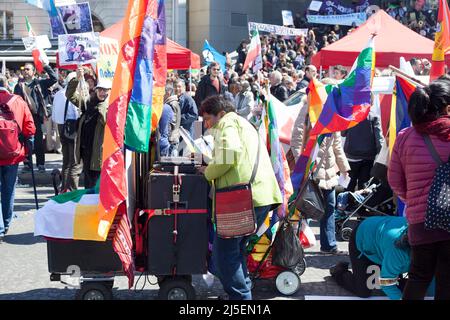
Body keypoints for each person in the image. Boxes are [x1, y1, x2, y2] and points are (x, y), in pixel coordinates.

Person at [199, 95, 282, 300]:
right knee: (234, 251)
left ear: (220, 113)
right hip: (258, 195)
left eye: (208, 119)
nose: (207, 125)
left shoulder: (227, 122)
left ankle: (241, 299)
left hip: (245, 199)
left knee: (224, 254)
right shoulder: (243, 123)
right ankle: (243, 294)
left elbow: (230, 152)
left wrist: (208, 171)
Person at [388, 79, 450, 300]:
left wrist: (414, 200)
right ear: (446, 107)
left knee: (418, 277)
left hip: (419, 221)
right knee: (447, 280)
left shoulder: (405, 136)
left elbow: (394, 180)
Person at [290, 94, 350, 255]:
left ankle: (329, 245)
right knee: (305, 207)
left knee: (329, 205)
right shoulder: (308, 110)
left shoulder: (332, 113)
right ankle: (298, 244)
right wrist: (302, 163)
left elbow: (337, 145)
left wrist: (344, 168)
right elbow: (296, 139)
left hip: (328, 171)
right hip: (311, 169)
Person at [330, 216, 434, 300]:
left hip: (384, 240)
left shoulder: (434, 244)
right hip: (363, 239)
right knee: (363, 291)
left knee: (417, 287)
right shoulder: (398, 251)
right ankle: (338, 271)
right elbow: (386, 282)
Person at [0, 75, 36, 242]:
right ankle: (6, 223)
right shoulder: (18, 101)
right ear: (6, 84)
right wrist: (29, 150)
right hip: (13, 153)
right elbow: (30, 127)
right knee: (9, 189)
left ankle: (0, 227)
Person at [66, 67, 111, 189]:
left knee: (97, 186)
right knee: (88, 184)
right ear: (96, 90)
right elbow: (70, 95)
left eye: (105, 91)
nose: (102, 93)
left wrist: (104, 105)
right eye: (100, 90)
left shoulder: (110, 108)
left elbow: (106, 121)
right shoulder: (88, 103)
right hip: (86, 151)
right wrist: (77, 78)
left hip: (99, 154)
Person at [14, 62, 57, 172]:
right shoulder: (18, 86)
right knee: (25, 141)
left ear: (34, 71)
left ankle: (40, 164)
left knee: (38, 141)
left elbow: (54, 78)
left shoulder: (40, 83)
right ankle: (27, 164)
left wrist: (45, 66)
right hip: (23, 118)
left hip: (37, 116)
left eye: (28, 69)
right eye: (24, 69)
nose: (25, 71)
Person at [51, 72, 81, 192]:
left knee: (66, 161)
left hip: (61, 127)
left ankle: (64, 188)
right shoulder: (71, 94)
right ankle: (71, 190)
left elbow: (54, 114)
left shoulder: (58, 93)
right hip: (71, 128)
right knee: (74, 162)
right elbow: (76, 113)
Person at [342, 112, 384, 191]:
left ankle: (345, 202)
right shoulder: (374, 116)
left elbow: (343, 133)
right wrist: (381, 156)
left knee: (349, 185)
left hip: (351, 155)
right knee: (364, 186)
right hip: (368, 157)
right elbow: (379, 139)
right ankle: (360, 202)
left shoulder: (350, 115)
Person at [163, 83, 181, 156]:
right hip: (174, 136)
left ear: (168, 93)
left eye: (164, 93)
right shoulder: (174, 102)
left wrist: (168, 136)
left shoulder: (172, 104)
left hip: (172, 137)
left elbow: (172, 122)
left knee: (171, 162)